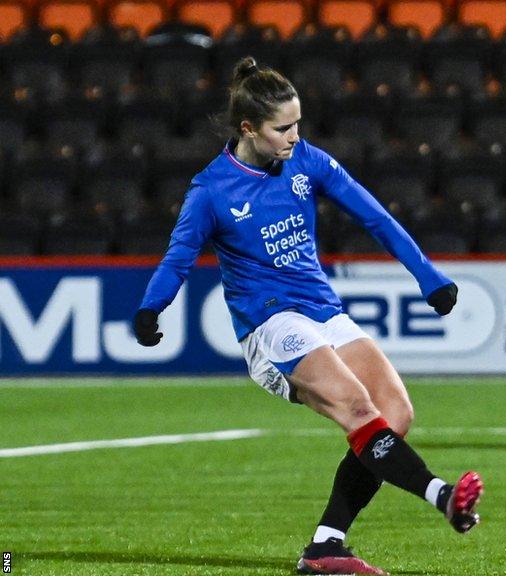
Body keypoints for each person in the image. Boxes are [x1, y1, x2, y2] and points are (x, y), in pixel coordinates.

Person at [132, 57, 483, 575]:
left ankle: (325, 547)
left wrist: (428, 277)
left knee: (395, 412)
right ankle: (442, 495)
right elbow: (178, 256)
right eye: (283, 128)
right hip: (271, 326)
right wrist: (150, 307)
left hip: (323, 312)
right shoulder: (211, 190)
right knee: (361, 411)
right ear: (249, 128)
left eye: (298, 124)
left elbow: (374, 215)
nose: (295, 137)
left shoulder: (308, 161)